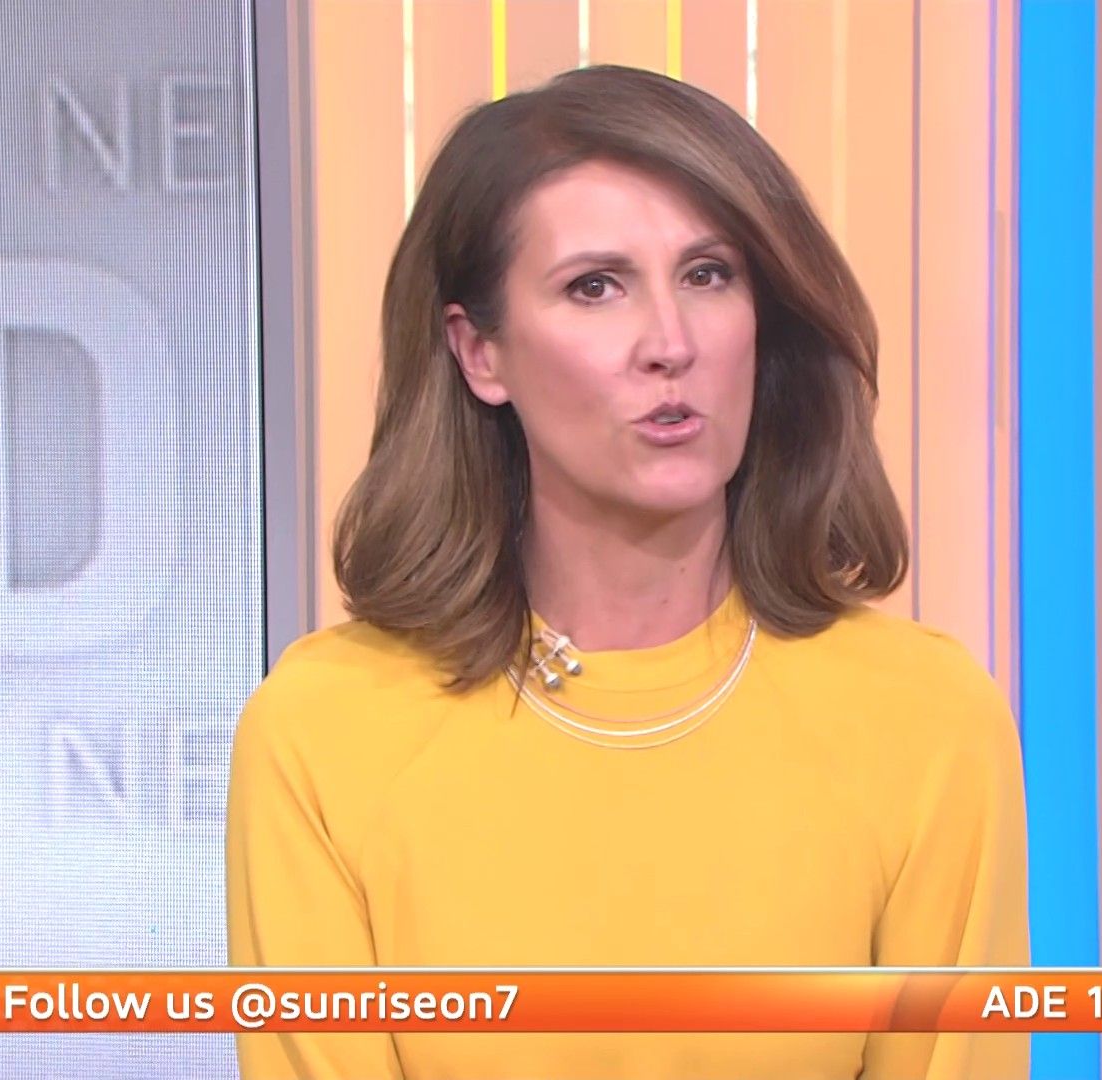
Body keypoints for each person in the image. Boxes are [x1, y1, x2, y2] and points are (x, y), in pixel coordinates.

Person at [226, 64, 1029, 1080]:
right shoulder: (323, 733)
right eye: (595, 286)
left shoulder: (925, 720)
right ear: (480, 354)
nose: (671, 343)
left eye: (709, 275)